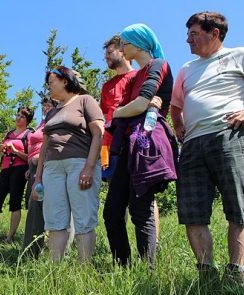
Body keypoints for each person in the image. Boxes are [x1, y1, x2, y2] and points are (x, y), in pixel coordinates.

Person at [170, 12, 244, 286]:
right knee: (192, 212)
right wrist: (178, 126)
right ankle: (207, 274)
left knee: (237, 207)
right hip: (193, 145)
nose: (188, 39)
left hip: (228, 137)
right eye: (188, 34)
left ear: (215, 33)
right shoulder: (187, 68)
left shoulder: (240, 55)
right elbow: (175, 105)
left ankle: (236, 274)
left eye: (194, 34)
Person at [104, 24, 177, 268]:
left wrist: (126, 110)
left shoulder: (158, 65)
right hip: (128, 145)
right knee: (112, 212)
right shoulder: (136, 75)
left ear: (137, 43)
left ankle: (148, 270)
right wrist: (130, 108)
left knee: (140, 209)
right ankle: (122, 267)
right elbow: (134, 105)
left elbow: (141, 103)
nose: (122, 49)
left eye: (125, 44)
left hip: (147, 142)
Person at [33, 66, 104, 262]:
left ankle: (83, 271)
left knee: (83, 219)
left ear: (65, 80)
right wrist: (38, 178)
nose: (48, 85)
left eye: (52, 81)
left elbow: (98, 133)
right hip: (52, 169)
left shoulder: (85, 100)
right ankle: (56, 272)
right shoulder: (51, 113)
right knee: (55, 220)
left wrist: (89, 167)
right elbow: (44, 147)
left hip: (79, 164)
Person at [100, 34, 162, 249]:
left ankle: (152, 247)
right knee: (115, 206)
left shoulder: (139, 76)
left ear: (122, 51)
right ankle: (122, 262)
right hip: (112, 148)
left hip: (137, 145)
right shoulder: (107, 85)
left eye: (110, 52)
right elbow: (104, 117)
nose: (106, 57)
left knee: (143, 201)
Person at [0, 106, 34, 243]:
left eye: (22, 116)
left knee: (15, 202)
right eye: (18, 115)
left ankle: (10, 237)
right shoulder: (9, 134)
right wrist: (2, 148)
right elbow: (2, 153)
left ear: (27, 120)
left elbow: (30, 157)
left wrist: (16, 151)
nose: (18, 118)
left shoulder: (28, 134)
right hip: (5, 169)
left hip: (20, 170)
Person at [22, 97, 56, 257]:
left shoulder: (56, 121)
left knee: (43, 205)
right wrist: (30, 165)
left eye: (49, 105)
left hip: (46, 166)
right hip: (34, 168)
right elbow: (33, 147)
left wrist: (40, 161)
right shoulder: (40, 124)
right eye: (44, 105)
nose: (45, 108)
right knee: (34, 206)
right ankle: (34, 249)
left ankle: (47, 249)